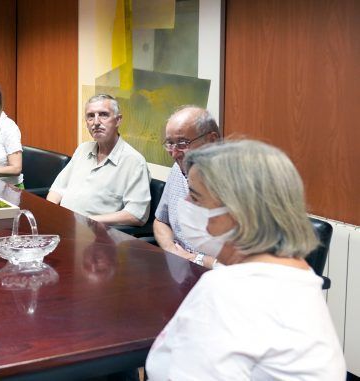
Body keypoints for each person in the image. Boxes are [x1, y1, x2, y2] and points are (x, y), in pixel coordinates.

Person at [145, 140, 346, 380]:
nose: (185, 205)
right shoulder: (297, 277)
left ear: (239, 212)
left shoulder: (229, 290)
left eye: (196, 198)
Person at [47, 94, 150, 226]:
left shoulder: (134, 162)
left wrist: (87, 221)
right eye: (91, 116)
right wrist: (49, 215)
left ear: (118, 120)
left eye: (103, 115)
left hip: (96, 235)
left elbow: (136, 215)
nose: (96, 122)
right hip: (63, 225)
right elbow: (57, 189)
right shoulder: (82, 149)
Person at [153, 106, 220, 267]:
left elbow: (248, 264)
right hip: (178, 269)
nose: (174, 153)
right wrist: (173, 251)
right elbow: (161, 221)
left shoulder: (240, 183)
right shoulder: (179, 168)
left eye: (182, 143)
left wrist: (195, 259)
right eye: (170, 144)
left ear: (212, 140)